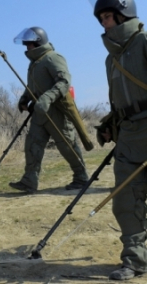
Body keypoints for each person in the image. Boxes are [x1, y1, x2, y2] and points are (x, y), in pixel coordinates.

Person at [92, 0, 147, 280]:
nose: (104, 22)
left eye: (109, 16)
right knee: (125, 199)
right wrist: (110, 125)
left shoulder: (144, 43)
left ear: (124, 13)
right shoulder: (110, 58)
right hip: (128, 137)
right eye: (101, 17)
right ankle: (135, 260)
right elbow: (119, 102)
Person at [9, 27, 89, 194]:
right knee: (33, 144)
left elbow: (64, 82)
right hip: (40, 112)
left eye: (29, 44)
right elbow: (32, 86)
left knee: (66, 144)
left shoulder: (53, 58)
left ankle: (81, 177)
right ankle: (29, 180)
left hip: (56, 111)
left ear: (37, 43)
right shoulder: (34, 64)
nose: (27, 48)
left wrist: (47, 98)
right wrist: (25, 98)